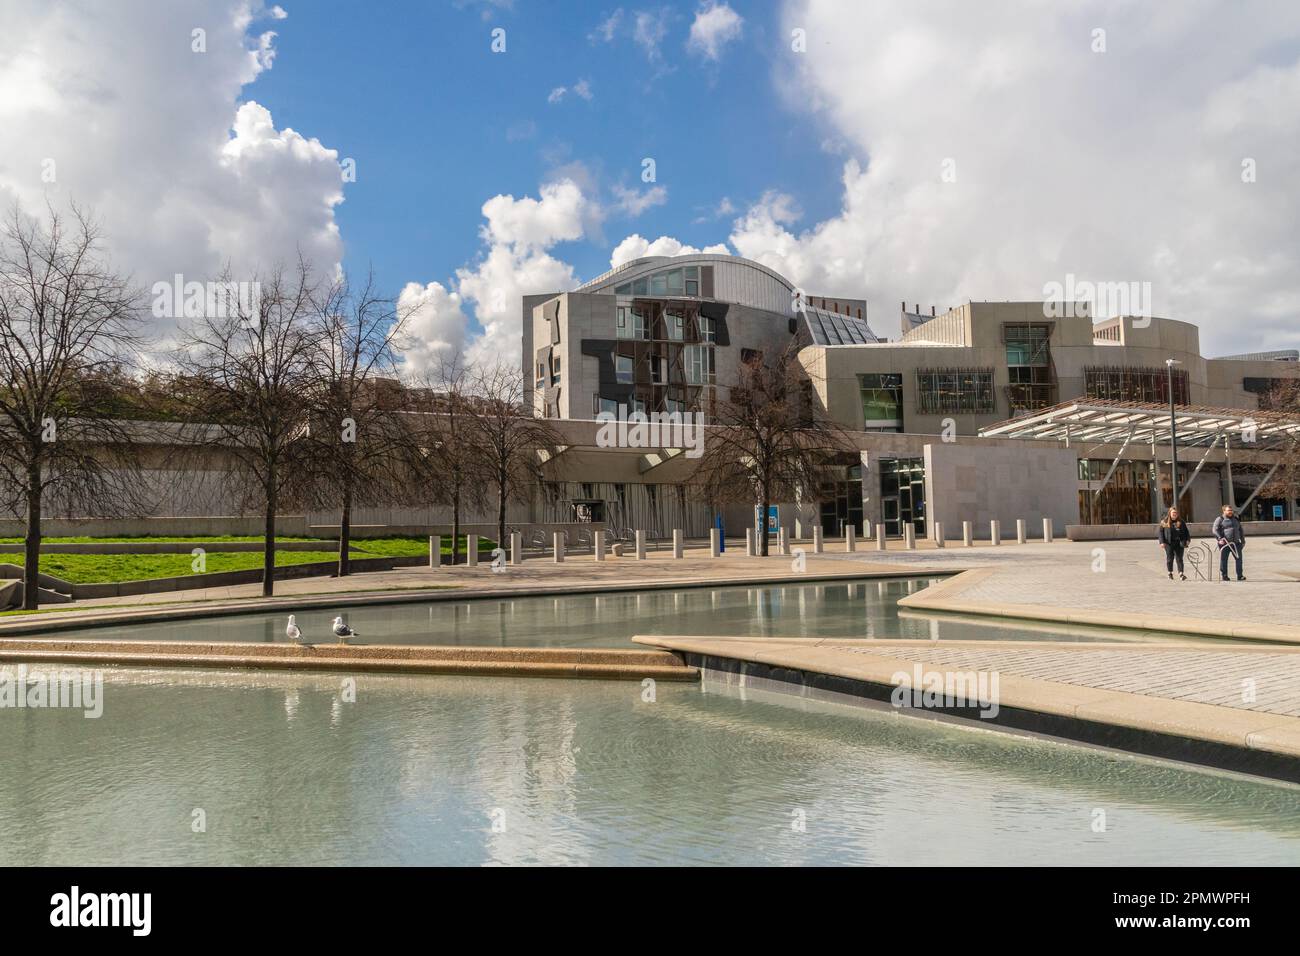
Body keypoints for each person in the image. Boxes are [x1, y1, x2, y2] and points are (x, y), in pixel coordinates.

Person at [1212, 504, 1246, 581]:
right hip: (1225, 544)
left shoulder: (1236, 519)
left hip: (1236, 543)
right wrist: (1220, 538)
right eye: (1229, 510)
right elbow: (1215, 530)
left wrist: (1243, 541)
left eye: (1231, 510)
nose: (1231, 512)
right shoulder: (1220, 519)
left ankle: (1240, 576)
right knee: (1224, 560)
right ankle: (1224, 575)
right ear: (1224, 511)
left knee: (1239, 559)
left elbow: (1240, 530)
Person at [1157, 507, 1191, 580]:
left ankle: (1181, 574)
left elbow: (1186, 532)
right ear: (1170, 513)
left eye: (1176, 513)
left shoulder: (1181, 522)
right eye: (1173, 513)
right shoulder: (1164, 521)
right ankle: (1170, 573)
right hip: (1168, 543)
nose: (1174, 514)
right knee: (1170, 558)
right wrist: (1162, 542)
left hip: (1179, 542)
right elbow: (1161, 532)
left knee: (1179, 558)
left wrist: (1188, 540)